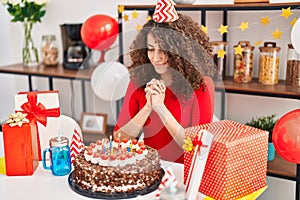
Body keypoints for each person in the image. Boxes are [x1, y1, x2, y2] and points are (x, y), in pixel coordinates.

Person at [113, 10, 216, 163]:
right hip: (150, 168)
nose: (155, 58)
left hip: (184, 172)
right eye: (150, 49)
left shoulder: (202, 85)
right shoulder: (138, 81)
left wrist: (161, 108)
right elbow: (119, 139)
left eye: (164, 50)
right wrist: (147, 107)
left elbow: (195, 146)